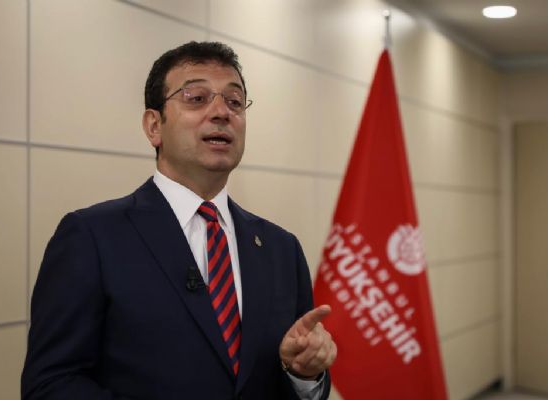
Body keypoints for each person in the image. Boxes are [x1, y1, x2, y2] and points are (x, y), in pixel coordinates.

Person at [21, 41, 336, 400]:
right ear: (154, 126)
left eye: (235, 101)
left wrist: (303, 374)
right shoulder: (91, 237)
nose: (221, 112)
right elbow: (50, 385)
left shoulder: (281, 249)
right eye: (197, 98)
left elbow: (292, 382)